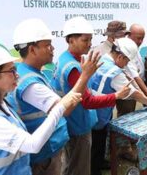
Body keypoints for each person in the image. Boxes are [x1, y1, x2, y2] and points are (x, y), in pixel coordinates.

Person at [0, 42, 87, 175]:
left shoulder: (0, 104)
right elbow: (32, 145)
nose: (17, 75)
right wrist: (60, 107)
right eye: (11, 71)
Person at [6, 18, 96, 175]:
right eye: (47, 45)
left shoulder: (30, 73)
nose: (52, 48)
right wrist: (85, 76)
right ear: (32, 50)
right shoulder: (31, 84)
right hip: (44, 154)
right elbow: (64, 109)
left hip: (48, 148)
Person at [50, 17, 130, 175]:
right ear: (71, 40)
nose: (89, 44)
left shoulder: (66, 58)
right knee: (79, 167)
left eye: (91, 39)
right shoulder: (73, 67)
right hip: (77, 125)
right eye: (85, 40)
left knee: (74, 164)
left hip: (72, 121)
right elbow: (87, 101)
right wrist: (116, 95)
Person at [90, 38, 147, 175]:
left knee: (98, 141)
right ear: (120, 56)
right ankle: (95, 169)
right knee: (96, 142)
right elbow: (133, 93)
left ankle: (99, 162)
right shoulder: (114, 72)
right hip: (99, 111)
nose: (126, 65)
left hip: (96, 106)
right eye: (127, 61)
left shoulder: (104, 58)